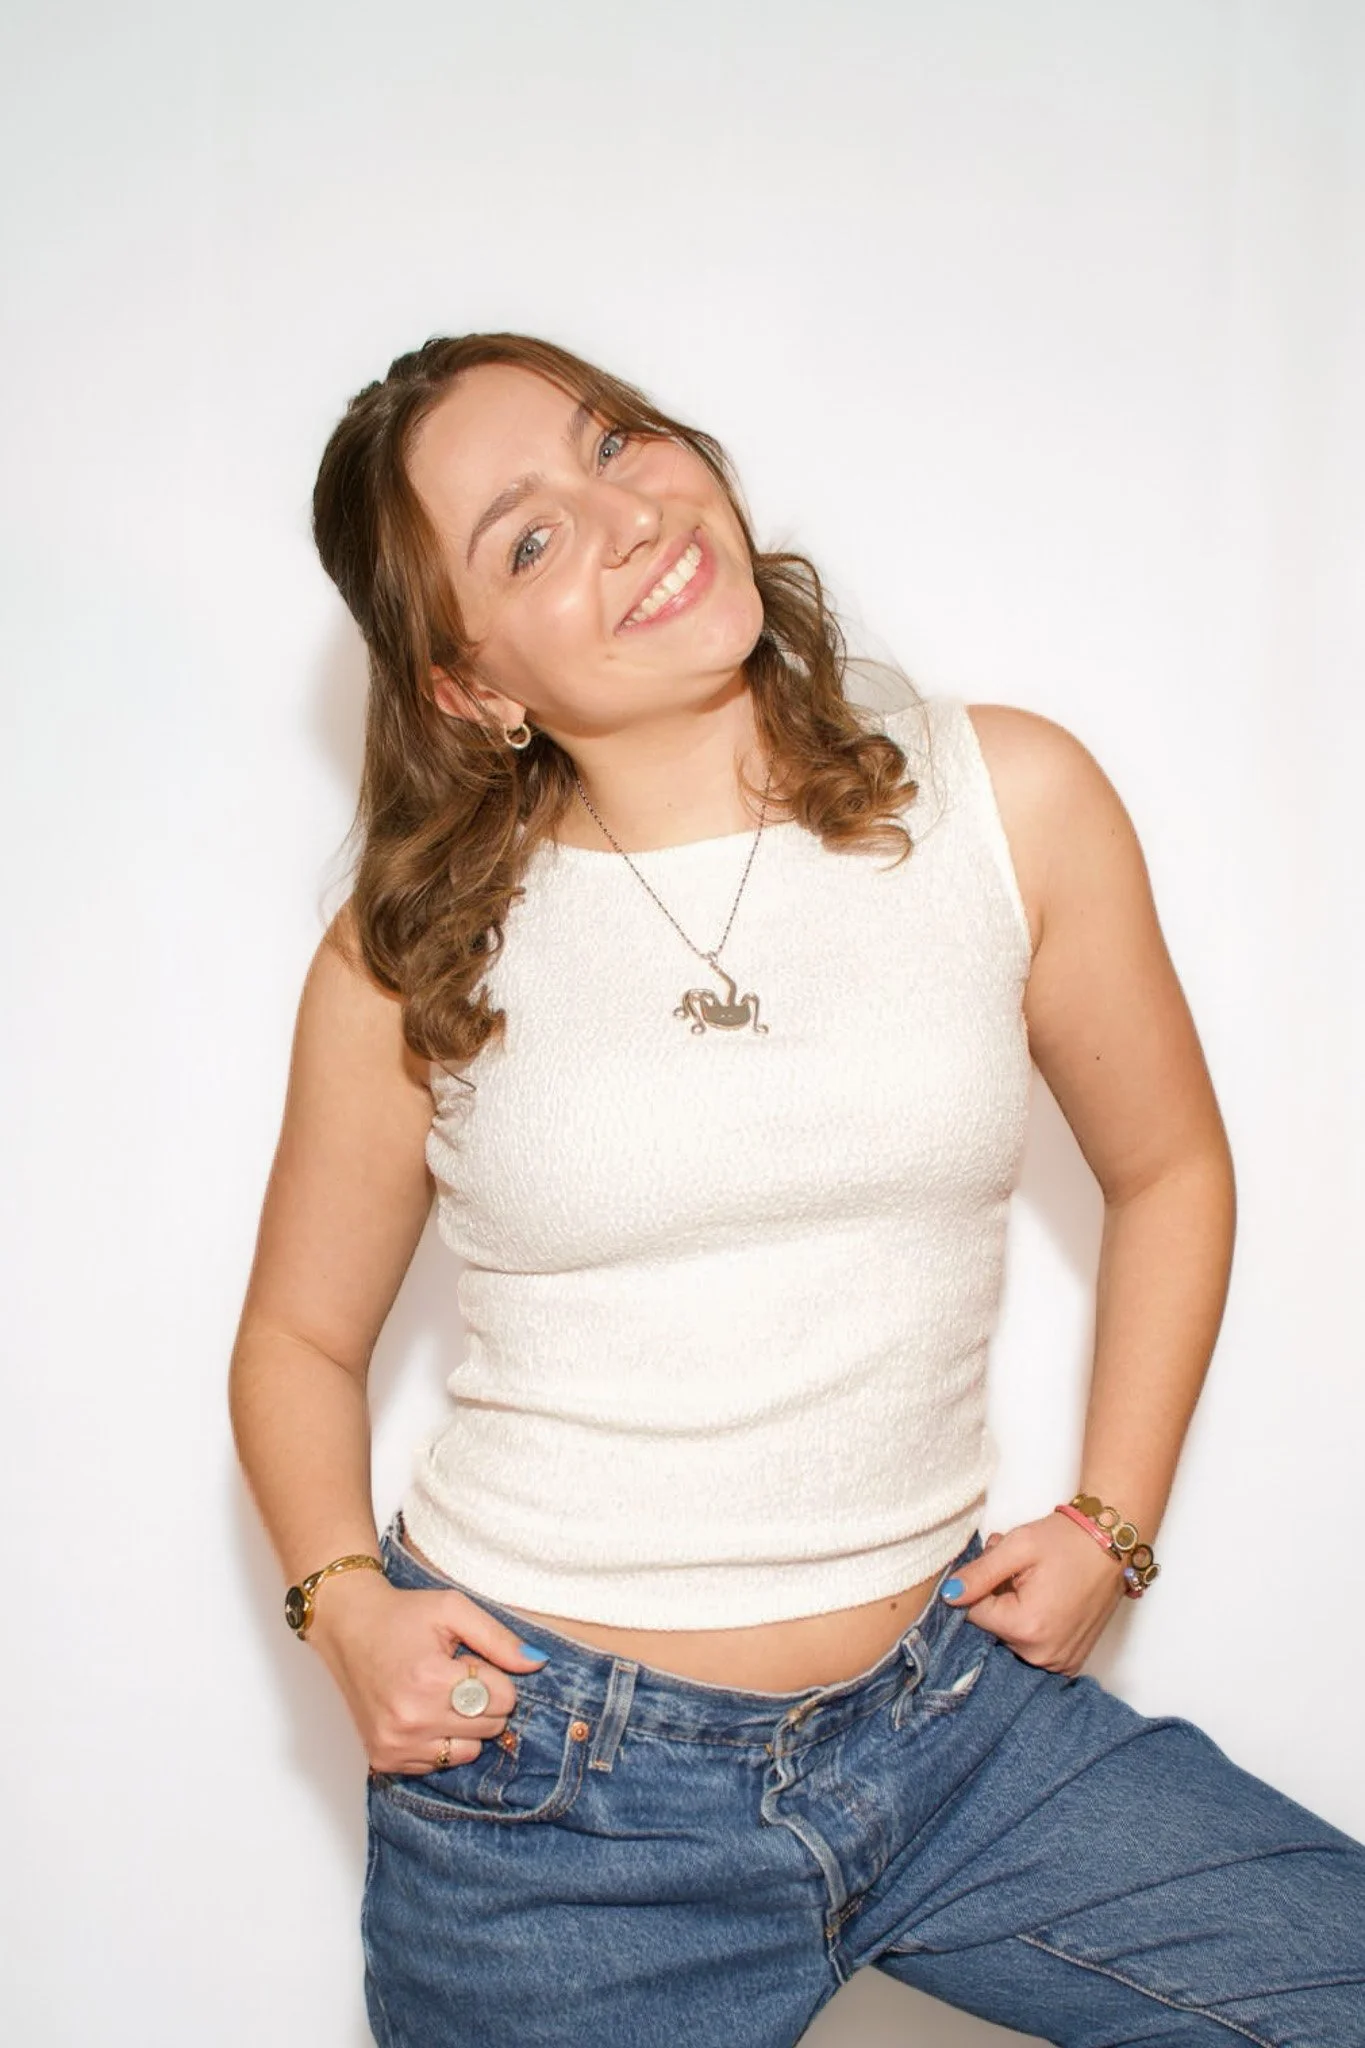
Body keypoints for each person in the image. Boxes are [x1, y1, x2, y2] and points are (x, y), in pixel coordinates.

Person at [228, 331, 1365, 2048]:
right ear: (467, 684)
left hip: (961, 1726)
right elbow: (299, 1341)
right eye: (524, 540)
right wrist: (341, 1611)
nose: (623, 516)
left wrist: (1111, 1527)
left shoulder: (1009, 801)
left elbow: (1172, 1169)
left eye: (613, 442)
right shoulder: (411, 957)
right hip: (555, 1809)